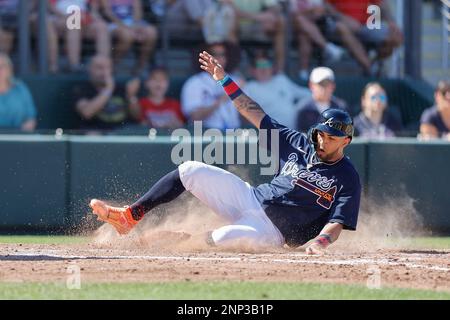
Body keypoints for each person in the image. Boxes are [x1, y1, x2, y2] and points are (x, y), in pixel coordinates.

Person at [89, 50, 361, 255]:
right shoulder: (298, 142)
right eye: (321, 134)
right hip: (250, 198)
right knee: (190, 170)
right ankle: (130, 216)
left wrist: (320, 243)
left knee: (220, 240)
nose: (323, 141)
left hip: (272, 232)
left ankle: (173, 239)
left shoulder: (347, 176)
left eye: (331, 137)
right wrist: (223, 79)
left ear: (345, 141)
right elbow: (252, 111)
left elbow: (337, 222)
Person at [325, 0, 403, 75]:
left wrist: (392, 23)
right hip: (339, 23)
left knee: (396, 37)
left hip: (365, 25)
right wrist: (343, 18)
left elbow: (381, 5)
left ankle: (375, 61)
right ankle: (369, 68)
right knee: (342, 28)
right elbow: (325, 5)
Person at [181, 42, 241, 130]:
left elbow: (248, 117)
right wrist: (220, 100)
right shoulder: (194, 83)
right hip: (205, 135)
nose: (218, 58)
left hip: (234, 135)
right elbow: (194, 117)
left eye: (222, 54)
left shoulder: (237, 81)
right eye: (214, 55)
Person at [243, 54, 310, 129]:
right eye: (259, 66)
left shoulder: (281, 79)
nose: (263, 69)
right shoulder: (249, 87)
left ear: (272, 68)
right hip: (271, 133)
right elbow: (243, 112)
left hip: (294, 131)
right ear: (253, 70)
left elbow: (305, 94)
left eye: (266, 65)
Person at [73, 55, 138, 132]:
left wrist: (131, 96)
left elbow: (136, 116)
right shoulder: (81, 89)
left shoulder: (121, 88)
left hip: (121, 132)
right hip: (96, 132)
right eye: (100, 67)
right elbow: (87, 113)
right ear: (90, 69)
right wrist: (108, 89)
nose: (105, 72)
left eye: (108, 67)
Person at [47, 0, 111, 72]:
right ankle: (74, 65)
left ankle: (103, 66)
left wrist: (94, 18)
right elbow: (50, 6)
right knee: (74, 22)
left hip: (84, 20)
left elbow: (93, 10)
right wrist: (66, 16)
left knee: (101, 26)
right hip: (60, 18)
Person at [290, 0, 345, 80]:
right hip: (289, 28)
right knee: (299, 20)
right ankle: (327, 47)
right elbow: (291, 13)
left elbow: (319, 11)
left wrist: (305, 13)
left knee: (304, 34)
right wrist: (308, 12)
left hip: (310, 27)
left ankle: (303, 72)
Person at [100, 0, 158, 73]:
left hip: (133, 24)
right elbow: (108, 12)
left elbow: (137, 12)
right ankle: (112, 66)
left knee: (152, 32)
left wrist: (134, 26)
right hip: (113, 23)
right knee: (127, 36)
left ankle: (141, 66)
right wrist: (124, 26)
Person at [228, 0, 286, 73]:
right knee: (232, 22)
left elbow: (275, 7)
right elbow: (229, 9)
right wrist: (258, 16)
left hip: (257, 24)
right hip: (238, 24)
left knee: (280, 22)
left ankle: (280, 70)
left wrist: (269, 14)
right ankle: (233, 69)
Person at [296, 66, 347, 133]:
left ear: (333, 86)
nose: (324, 88)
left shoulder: (341, 107)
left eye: (327, 84)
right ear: (311, 85)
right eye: (320, 84)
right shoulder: (303, 108)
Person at [0, 53, 37, 131]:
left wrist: (23, 131)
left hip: (18, 137)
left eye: (2, 66)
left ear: (9, 69)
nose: (0, 70)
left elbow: (31, 118)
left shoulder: (20, 88)